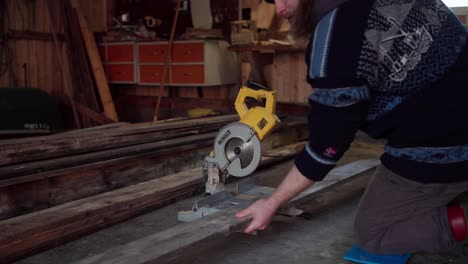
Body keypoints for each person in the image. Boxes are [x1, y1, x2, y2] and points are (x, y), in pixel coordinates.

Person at [236, 0, 468, 255]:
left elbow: (327, 147)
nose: (279, 10)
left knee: (373, 232)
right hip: (452, 121)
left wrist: (273, 202)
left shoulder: (336, 35)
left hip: (444, 147)